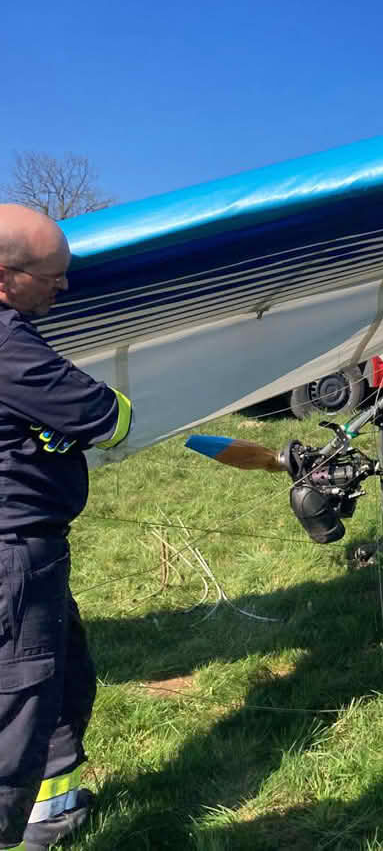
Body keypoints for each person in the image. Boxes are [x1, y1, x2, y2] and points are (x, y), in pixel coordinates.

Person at [0, 204, 133, 851]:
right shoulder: (6, 342)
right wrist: (60, 428)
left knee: (63, 679)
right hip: (12, 555)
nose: (64, 286)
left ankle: (51, 810)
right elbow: (108, 416)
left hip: (34, 552)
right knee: (17, 712)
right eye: (52, 275)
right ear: (4, 278)